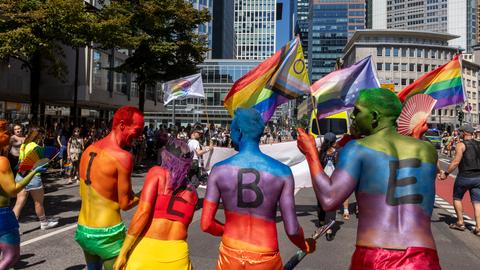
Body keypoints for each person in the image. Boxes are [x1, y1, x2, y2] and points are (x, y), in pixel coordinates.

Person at [297, 88, 441, 269]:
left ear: (374, 116)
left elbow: (329, 199)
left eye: (357, 111)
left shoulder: (357, 148)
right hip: (423, 257)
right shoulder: (426, 150)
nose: (353, 118)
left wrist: (311, 152)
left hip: (376, 254)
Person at [201, 108, 315, 269]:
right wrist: (304, 245)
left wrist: (228, 229)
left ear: (238, 132)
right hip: (265, 254)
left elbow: (206, 224)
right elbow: (292, 229)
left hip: (230, 252)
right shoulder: (282, 172)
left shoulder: (219, 170)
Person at [74, 106, 144, 270]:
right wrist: (145, 194)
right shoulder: (123, 157)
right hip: (108, 234)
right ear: (122, 125)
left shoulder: (88, 150)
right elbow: (125, 204)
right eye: (138, 130)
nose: (140, 136)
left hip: (84, 230)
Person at [114, 137, 196, 270]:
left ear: (166, 157)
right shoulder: (192, 193)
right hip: (178, 255)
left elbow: (143, 213)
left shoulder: (157, 173)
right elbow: (183, 227)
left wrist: (123, 253)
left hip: (147, 252)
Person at [0, 120, 47, 269]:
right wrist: (34, 171)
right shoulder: (2, 162)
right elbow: (12, 190)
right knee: (11, 255)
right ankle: (44, 221)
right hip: (2, 214)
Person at [12, 127, 59, 230]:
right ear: (38, 136)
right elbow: (40, 164)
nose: (42, 137)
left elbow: (21, 160)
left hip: (21, 175)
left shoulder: (23, 145)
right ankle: (44, 223)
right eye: (42, 135)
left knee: (19, 202)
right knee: (38, 202)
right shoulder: (35, 147)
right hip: (33, 177)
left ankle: (13, 227)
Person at [440, 124, 480, 236]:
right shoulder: (479, 144)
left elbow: (456, 162)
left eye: (461, 132)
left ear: (465, 133)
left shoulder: (461, 145)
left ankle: (460, 223)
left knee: (457, 198)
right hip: (478, 177)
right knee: (477, 202)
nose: (459, 134)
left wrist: (446, 173)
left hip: (464, 176)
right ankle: (479, 227)